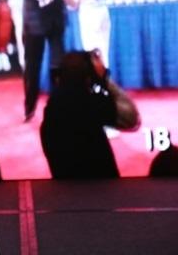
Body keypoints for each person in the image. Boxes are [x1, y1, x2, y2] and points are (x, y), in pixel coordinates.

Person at [40, 50, 140, 179]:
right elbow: (132, 119)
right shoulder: (92, 103)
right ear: (88, 78)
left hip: (65, 189)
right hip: (104, 188)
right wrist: (104, 79)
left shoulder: (51, 111)